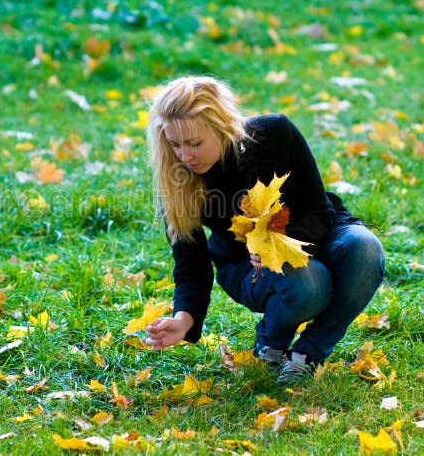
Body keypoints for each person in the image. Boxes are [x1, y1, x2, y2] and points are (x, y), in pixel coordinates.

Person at [143, 76, 385, 384]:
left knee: (365, 248)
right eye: (175, 144)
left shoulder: (274, 135)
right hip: (246, 263)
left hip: (319, 230)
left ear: (222, 128)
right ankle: (271, 343)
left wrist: (283, 241)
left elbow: (317, 208)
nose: (184, 156)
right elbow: (191, 265)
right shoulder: (177, 182)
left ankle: (309, 353)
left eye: (194, 143)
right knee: (310, 284)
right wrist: (183, 319)